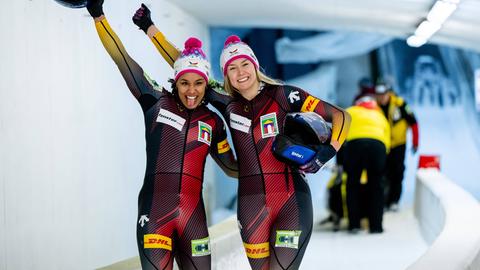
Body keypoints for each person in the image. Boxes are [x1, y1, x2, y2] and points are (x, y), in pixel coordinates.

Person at [132, 6, 351, 269]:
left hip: (291, 200)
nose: (240, 72)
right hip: (251, 207)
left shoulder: (283, 95)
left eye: (245, 64)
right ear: (226, 76)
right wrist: (150, 29)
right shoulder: (227, 103)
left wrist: (328, 151)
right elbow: (183, 64)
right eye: (232, 68)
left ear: (255, 65)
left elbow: (341, 116)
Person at [85, 1, 238, 269]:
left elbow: (232, 168)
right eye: (184, 82)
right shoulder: (155, 101)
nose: (191, 91)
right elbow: (123, 58)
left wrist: (280, 162)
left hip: (193, 220)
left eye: (198, 83)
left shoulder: (213, 123)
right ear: (175, 81)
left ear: (206, 84)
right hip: (155, 214)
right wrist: (99, 16)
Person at [344, 95, 390, 233]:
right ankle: (376, 226)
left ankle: (354, 225)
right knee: (376, 186)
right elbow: (387, 143)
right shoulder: (380, 116)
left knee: (352, 184)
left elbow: (339, 134)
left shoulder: (350, 111)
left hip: (354, 145)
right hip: (378, 147)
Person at [375, 80, 419, 211]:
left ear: (389, 93)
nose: (382, 97)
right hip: (382, 144)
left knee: (397, 172)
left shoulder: (400, 104)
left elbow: (414, 122)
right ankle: (383, 200)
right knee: (382, 172)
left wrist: (415, 142)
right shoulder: (374, 106)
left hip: (398, 144)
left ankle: (394, 200)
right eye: (379, 94)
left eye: (384, 94)